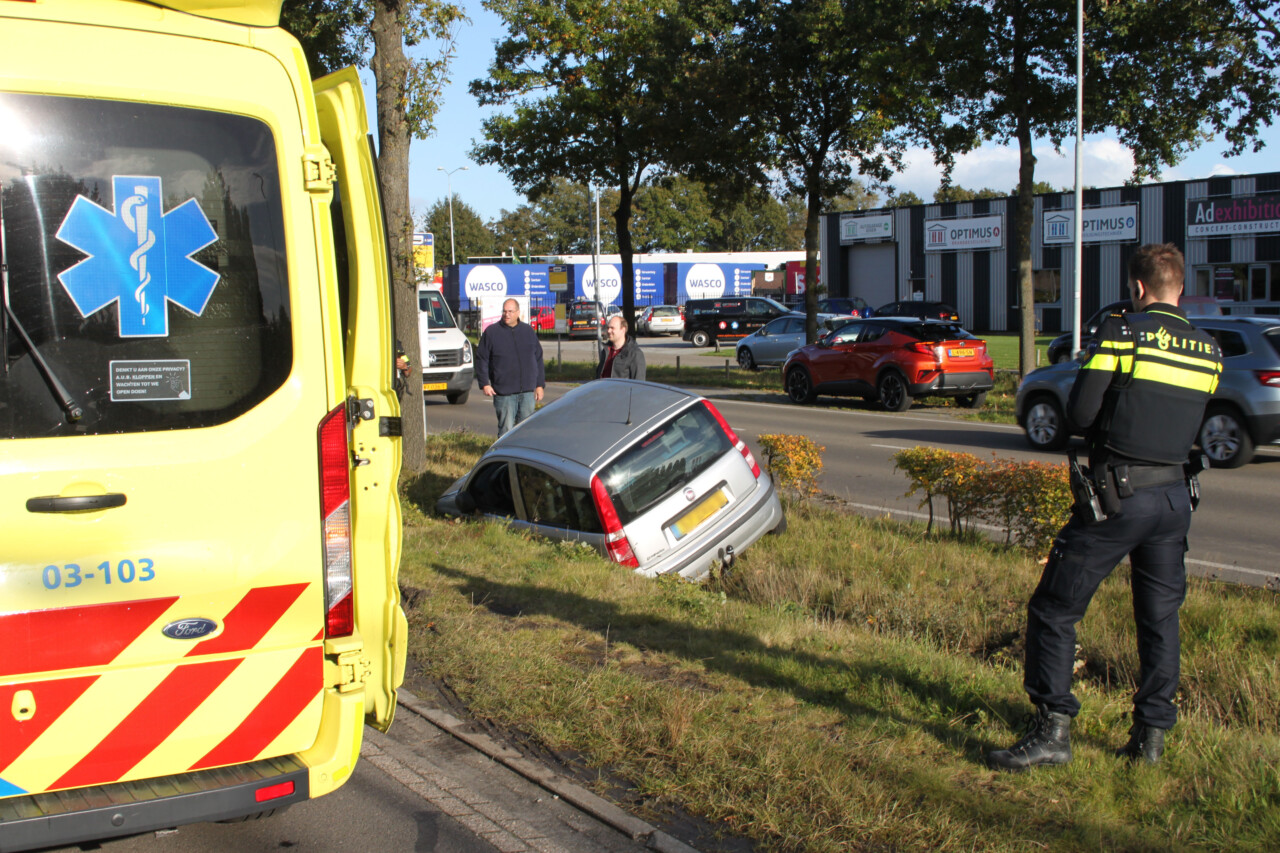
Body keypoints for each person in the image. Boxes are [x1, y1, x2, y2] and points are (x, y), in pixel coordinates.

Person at [986, 244, 1222, 772]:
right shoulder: (1208, 350)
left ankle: (1053, 730)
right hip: (1175, 501)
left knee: (1054, 608)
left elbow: (1081, 411)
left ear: (1137, 288)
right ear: (1179, 287)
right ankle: (1151, 740)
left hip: (1120, 497)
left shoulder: (1121, 333)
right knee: (1159, 620)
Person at [476, 298, 545, 436]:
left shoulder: (528, 332)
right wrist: (485, 383)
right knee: (506, 431)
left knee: (526, 430)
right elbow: (481, 359)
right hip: (504, 393)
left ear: (518, 312)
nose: (507, 314)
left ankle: (523, 457)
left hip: (526, 392)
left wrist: (539, 385)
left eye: (510, 311)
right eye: (504, 311)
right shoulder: (492, 332)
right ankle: (505, 457)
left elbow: (538, 359)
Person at [595, 314, 646, 380]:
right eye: (608, 328)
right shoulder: (606, 350)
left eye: (612, 328)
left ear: (623, 330)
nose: (608, 331)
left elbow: (639, 384)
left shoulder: (634, 353)